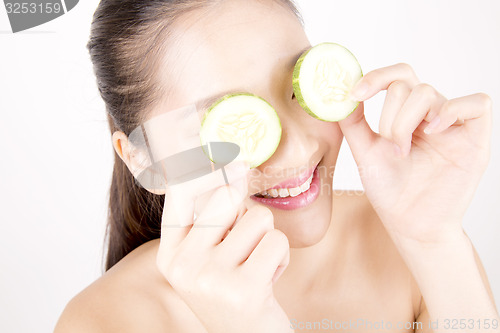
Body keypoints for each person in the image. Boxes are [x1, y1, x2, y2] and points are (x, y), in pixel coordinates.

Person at [54, 0, 499, 332]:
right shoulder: (102, 322)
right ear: (142, 158)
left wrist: (435, 242)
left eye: (297, 86)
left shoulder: (407, 240)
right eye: (228, 125)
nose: (295, 152)